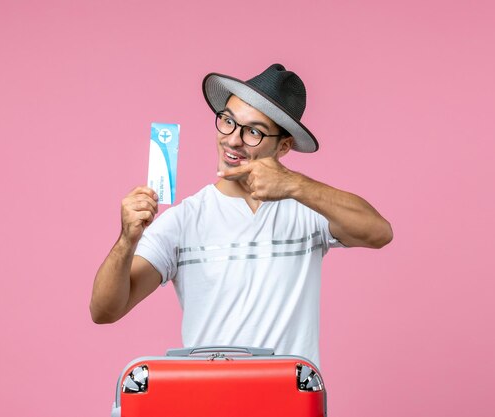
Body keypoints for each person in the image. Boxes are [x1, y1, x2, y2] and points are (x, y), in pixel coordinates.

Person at [90, 64, 393, 367]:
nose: (233, 140)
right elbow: (105, 311)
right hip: (211, 401)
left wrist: (295, 185)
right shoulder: (184, 220)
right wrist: (126, 240)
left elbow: (379, 232)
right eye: (228, 122)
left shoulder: (307, 211)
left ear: (284, 146)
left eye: (253, 132)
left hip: (291, 402)